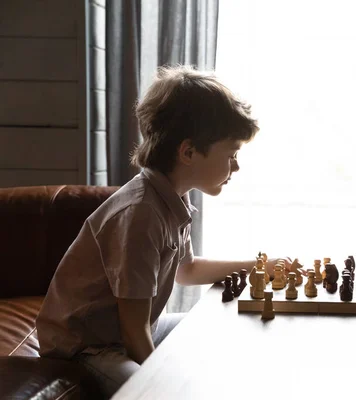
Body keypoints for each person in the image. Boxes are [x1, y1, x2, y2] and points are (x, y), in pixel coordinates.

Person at [36, 65, 291, 398]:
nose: (236, 166)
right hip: (88, 348)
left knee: (217, 329)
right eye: (231, 154)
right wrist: (167, 380)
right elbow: (133, 329)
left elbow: (186, 270)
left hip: (130, 332)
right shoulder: (141, 214)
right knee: (162, 392)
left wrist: (260, 265)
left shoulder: (170, 196)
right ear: (188, 152)